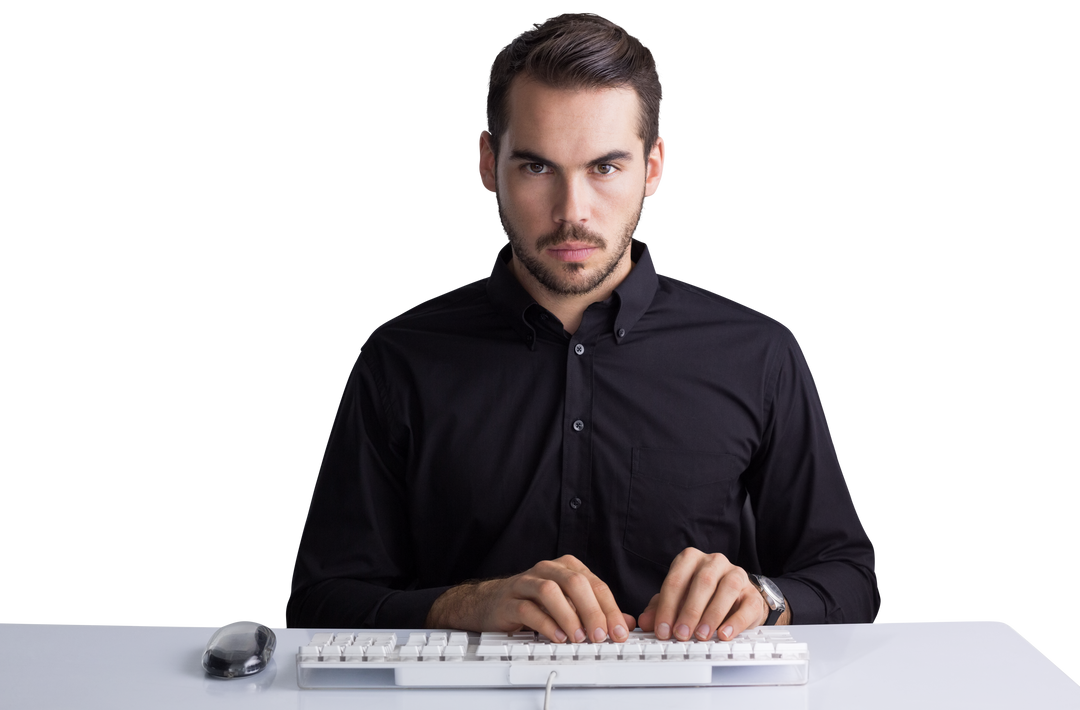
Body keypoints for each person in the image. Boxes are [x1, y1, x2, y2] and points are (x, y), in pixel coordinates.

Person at [285, 10, 880, 645]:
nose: (573, 213)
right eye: (537, 167)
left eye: (605, 167)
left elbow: (850, 579)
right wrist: (464, 606)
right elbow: (320, 602)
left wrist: (764, 598)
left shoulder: (761, 352)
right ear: (488, 162)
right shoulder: (399, 357)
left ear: (654, 167)